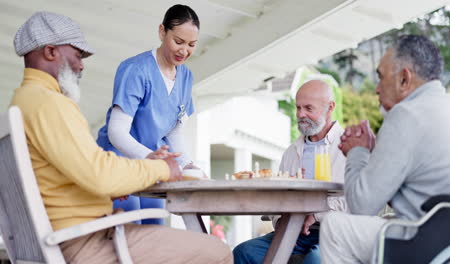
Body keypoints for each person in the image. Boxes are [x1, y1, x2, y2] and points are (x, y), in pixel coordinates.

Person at [10, 11, 232, 264]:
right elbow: (99, 172)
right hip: (85, 238)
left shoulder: (25, 101)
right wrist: (159, 166)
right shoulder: (49, 103)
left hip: (75, 230)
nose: (82, 65)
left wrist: (177, 164)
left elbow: (73, 173)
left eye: (191, 44)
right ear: (50, 52)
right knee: (217, 250)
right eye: (77, 55)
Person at [319, 35, 450, 264]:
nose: (377, 89)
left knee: (334, 226)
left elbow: (362, 206)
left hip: (426, 243)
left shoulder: (406, 114)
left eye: (380, 77)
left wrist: (358, 152)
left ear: (404, 80)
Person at [95, 4, 203, 224]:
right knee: (129, 229)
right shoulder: (136, 70)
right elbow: (117, 132)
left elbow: (173, 131)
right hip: (121, 161)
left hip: (153, 166)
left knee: (155, 228)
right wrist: (150, 159)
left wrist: (187, 164)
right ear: (162, 32)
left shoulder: (186, 76)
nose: (184, 51)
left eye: (192, 45)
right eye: (178, 42)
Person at [233, 79, 348, 264]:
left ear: (330, 107)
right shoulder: (292, 152)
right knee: (243, 253)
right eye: (298, 108)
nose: (301, 114)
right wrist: (281, 225)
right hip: (293, 230)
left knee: (315, 260)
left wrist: (315, 215)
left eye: (309, 108)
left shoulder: (347, 148)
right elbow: (278, 197)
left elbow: (357, 201)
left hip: (334, 232)